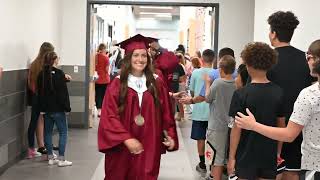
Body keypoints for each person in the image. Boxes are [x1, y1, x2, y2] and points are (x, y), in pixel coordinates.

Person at [235, 39, 320, 179]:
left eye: (308, 57)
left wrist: (253, 125)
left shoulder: (309, 95)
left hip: (315, 166)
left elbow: (289, 134)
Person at [98, 34, 178, 180]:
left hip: (149, 143)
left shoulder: (156, 82)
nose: (140, 59)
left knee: (146, 175)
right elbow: (109, 116)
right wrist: (126, 138)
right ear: (128, 57)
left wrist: (170, 134)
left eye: (143, 55)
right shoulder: (117, 83)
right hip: (122, 146)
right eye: (136, 55)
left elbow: (165, 112)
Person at [266, 11, 315, 180]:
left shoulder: (266, 60)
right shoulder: (306, 59)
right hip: (300, 125)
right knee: (293, 171)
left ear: (273, 33)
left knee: (271, 172)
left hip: (271, 127)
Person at [227, 42, 285, 180]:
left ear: (247, 65)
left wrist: (231, 157)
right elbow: (281, 125)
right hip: (269, 155)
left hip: (245, 156)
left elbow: (236, 129)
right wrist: (277, 153)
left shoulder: (240, 94)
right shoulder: (279, 92)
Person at [204, 55, 236, 180]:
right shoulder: (236, 84)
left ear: (221, 70)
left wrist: (207, 83)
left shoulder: (218, 83)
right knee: (229, 157)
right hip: (231, 126)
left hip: (216, 127)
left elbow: (207, 98)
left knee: (216, 159)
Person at [37, 51, 72, 167]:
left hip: (46, 110)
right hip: (58, 110)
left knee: (47, 132)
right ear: (55, 59)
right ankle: (61, 159)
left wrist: (41, 109)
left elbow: (40, 93)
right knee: (63, 132)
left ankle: (51, 158)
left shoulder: (41, 74)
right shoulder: (59, 74)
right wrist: (67, 108)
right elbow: (63, 94)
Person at [187, 49, 215, 175]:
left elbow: (192, 92)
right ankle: (213, 163)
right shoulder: (217, 73)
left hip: (198, 110)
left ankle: (202, 163)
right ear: (214, 59)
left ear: (201, 60)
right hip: (213, 112)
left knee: (200, 138)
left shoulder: (196, 73)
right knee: (213, 139)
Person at [27, 42, 54, 158]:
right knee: (45, 122)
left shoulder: (33, 64)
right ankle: (43, 149)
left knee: (34, 122)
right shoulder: (45, 67)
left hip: (35, 97)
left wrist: (36, 93)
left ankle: (32, 149)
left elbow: (30, 84)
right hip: (43, 98)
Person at [95, 43, 110, 117]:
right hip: (104, 80)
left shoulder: (95, 57)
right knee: (104, 95)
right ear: (104, 49)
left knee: (98, 95)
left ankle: (98, 111)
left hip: (97, 79)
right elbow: (107, 70)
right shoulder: (106, 58)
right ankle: (103, 110)